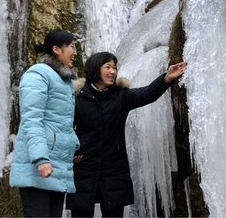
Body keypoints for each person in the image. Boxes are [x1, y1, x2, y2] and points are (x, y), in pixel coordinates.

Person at [66, 52, 185, 217]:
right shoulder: (78, 99)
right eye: (107, 67)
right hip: (84, 169)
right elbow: (65, 128)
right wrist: (72, 151)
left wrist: (166, 78)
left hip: (114, 170)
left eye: (114, 67)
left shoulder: (121, 96)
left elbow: (147, 93)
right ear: (94, 70)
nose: (113, 71)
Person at [9, 29, 80, 217]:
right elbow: (32, 119)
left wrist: (74, 146)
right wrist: (41, 158)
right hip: (40, 167)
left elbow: (60, 124)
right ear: (56, 49)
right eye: (72, 46)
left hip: (56, 167)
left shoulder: (63, 81)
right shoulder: (38, 73)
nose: (75, 51)